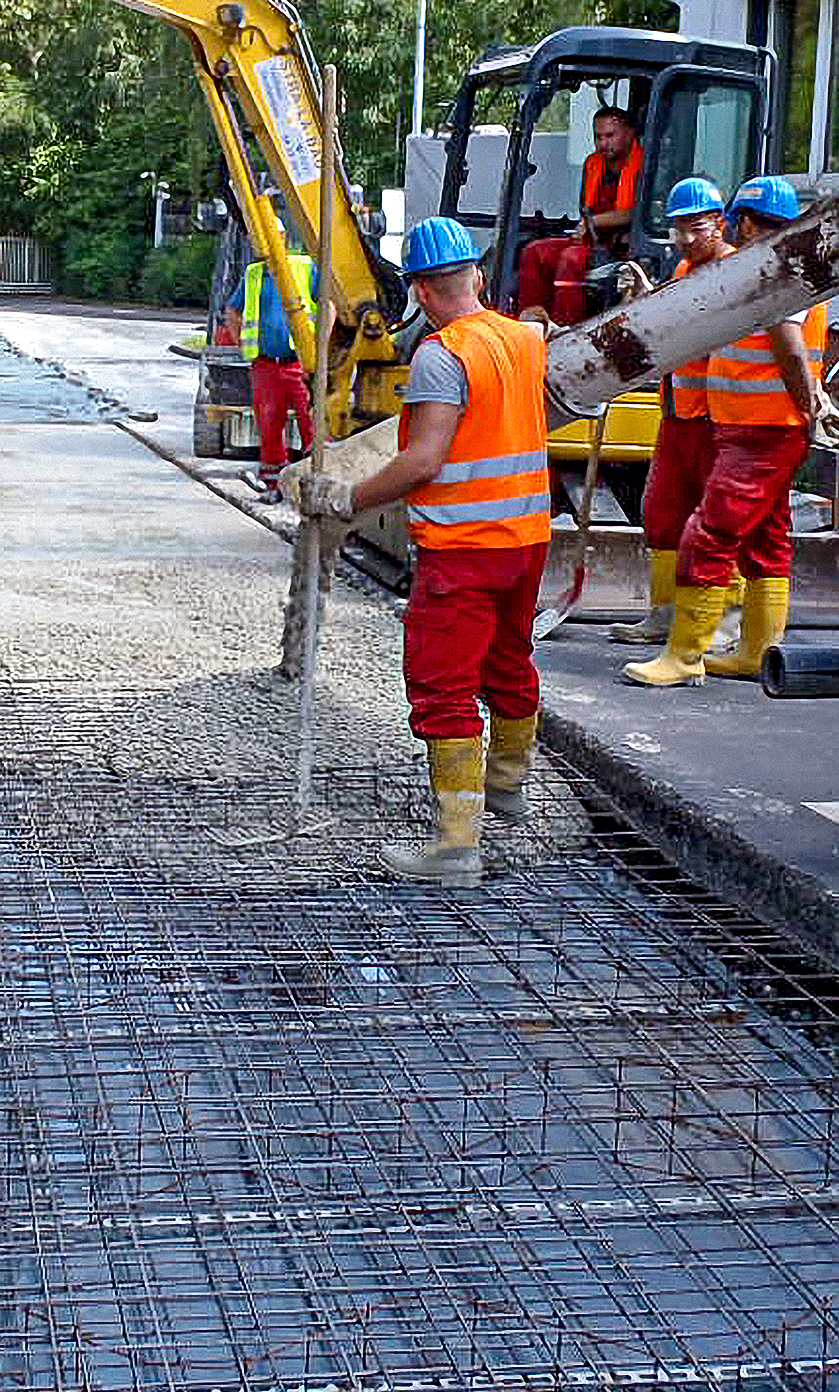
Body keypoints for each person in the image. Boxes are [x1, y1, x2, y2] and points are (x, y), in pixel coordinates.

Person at [292, 216, 551, 887]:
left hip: (463, 548)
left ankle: (456, 845)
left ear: (421, 293)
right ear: (476, 277)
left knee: (443, 684)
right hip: (524, 542)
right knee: (510, 659)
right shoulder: (524, 338)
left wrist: (347, 497)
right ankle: (507, 786)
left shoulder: (443, 354)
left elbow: (422, 460)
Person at [625, 177, 839, 687]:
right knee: (766, 540)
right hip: (753, 428)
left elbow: (791, 351)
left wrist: (811, 407)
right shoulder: (783, 268)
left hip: (761, 431)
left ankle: (683, 656)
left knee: (709, 533)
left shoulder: (777, 273)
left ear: (743, 221)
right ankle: (755, 651)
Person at [613, 179, 737, 647]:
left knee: (717, 522)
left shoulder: (732, 272)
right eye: (679, 229)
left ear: (719, 224)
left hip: (717, 418)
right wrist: (647, 298)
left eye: (696, 227)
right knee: (663, 517)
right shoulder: (686, 269)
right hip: (680, 413)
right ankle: (664, 614)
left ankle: (725, 620)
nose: (686, 238)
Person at [511, 104, 644, 326]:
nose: (603, 143)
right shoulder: (593, 164)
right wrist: (586, 226)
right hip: (593, 241)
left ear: (630, 133)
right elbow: (586, 208)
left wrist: (592, 222)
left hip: (625, 247)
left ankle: (566, 330)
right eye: (598, 137)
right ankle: (530, 326)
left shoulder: (645, 165)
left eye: (610, 135)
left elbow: (633, 214)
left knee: (571, 260)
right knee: (534, 252)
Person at [221, 248, 323, 501]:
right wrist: (242, 345)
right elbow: (232, 311)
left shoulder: (304, 267)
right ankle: (274, 487)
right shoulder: (254, 274)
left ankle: (315, 483)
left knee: (314, 423)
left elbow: (329, 306)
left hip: (300, 362)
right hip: (266, 365)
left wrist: (323, 346)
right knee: (269, 426)